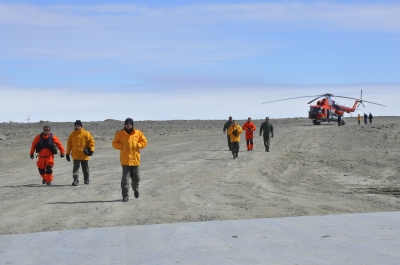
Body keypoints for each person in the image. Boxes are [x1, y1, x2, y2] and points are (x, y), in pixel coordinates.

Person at [112, 118, 148, 202]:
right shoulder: (120, 134)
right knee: (125, 180)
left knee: (136, 178)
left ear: (132, 125)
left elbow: (144, 142)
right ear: (124, 125)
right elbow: (114, 143)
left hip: (135, 160)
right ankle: (125, 196)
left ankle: (136, 189)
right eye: (126, 123)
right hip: (125, 160)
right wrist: (121, 146)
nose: (128, 125)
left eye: (130, 123)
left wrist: (138, 145)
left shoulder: (138, 133)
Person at [66, 120, 95, 186]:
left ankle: (86, 179)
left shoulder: (86, 134)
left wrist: (91, 150)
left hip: (84, 154)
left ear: (81, 126)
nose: (77, 127)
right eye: (76, 126)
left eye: (78, 126)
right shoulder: (72, 135)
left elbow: (91, 142)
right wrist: (67, 153)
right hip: (75, 154)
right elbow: (69, 145)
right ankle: (75, 180)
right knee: (75, 168)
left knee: (85, 168)